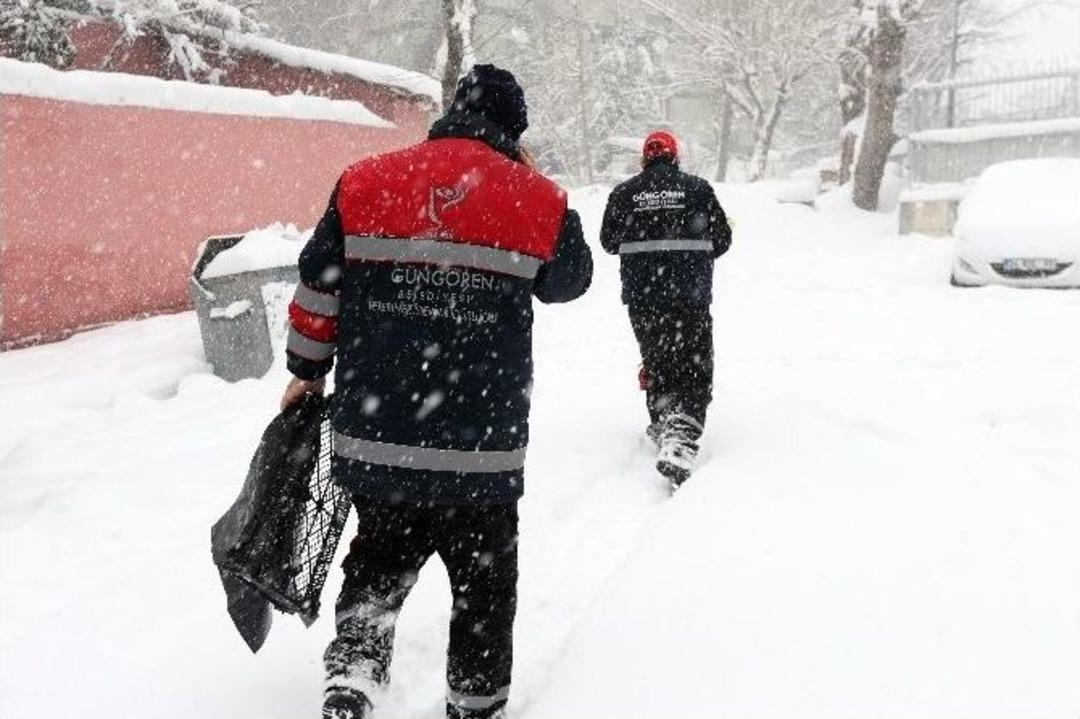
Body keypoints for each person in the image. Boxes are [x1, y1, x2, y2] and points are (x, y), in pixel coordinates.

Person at [280, 64, 592, 719]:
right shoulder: (535, 197)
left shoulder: (365, 179)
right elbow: (570, 280)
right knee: (484, 580)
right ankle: (476, 702)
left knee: (379, 555)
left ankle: (355, 676)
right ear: (515, 130)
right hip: (481, 444)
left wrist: (306, 368)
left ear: (452, 111)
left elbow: (318, 285)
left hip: (378, 430)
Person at [599, 130, 731, 490]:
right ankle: (681, 437)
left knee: (658, 360)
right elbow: (722, 240)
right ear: (675, 157)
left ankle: (664, 420)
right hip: (690, 295)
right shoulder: (698, 189)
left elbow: (609, 242)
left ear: (644, 158)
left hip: (644, 298)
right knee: (695, 362)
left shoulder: (624, 194)